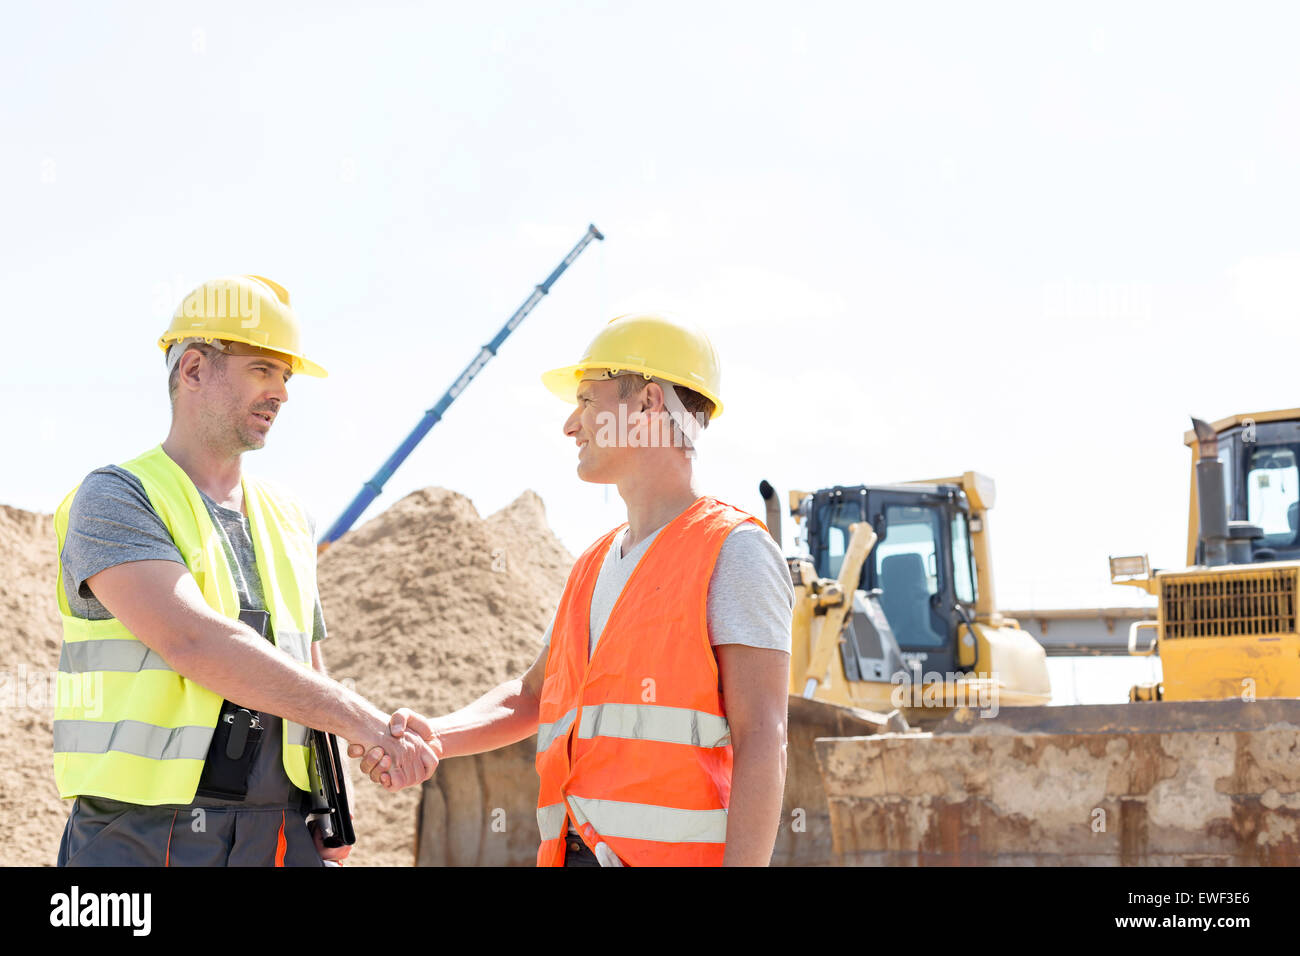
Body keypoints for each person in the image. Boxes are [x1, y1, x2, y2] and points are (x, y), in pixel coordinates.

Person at [353, 312, 794, 866]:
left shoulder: (735, 552)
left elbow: (764, 739)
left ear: (650, 404)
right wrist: (435, 734)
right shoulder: (593, 562)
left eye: (588, 400)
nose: (571, 424)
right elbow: (534, 696)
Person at [53, 275, 437, 867]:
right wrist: (371, 725)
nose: (281, 393)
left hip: (281, 828)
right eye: (263, 368)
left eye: (286, 377)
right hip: (142, 834)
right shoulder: (117, 498)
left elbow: (305, 665)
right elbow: (194, 639)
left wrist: (337, 815)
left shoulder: (287, 517)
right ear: (194, 369)